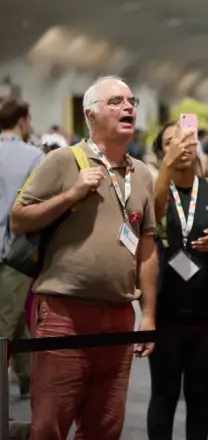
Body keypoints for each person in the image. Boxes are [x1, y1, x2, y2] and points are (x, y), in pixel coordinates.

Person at [10, 75, 158, 440]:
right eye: (116, 102)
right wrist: (72, 194)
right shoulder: (62, 160)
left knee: (105, 425)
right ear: (90, 115)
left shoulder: (141, 175)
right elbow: (18, 219)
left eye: (131, 101)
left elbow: (147, 247)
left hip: (120, 314)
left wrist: (150, 314)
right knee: (50, 424)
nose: (128, 107)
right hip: (64, 311)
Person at [147, 120, 208, 440]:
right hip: (166, 308)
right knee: (164, 393)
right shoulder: (154, 191)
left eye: (187, 140)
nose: (181, 147)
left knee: (199, 394)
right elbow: (150, 217)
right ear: (161, 153)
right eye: (170, 143)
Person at [0, 98, 44, 400]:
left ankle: (27, 377)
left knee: (10, 316)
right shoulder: (35, 156)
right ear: (24, 120)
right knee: (6, 319)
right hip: (14, 251)